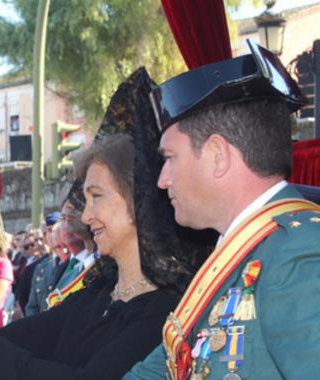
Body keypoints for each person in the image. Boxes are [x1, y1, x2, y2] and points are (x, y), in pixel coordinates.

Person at [0, 69, 212, 380]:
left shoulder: (167, 311)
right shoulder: (97, 295)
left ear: (139, 200)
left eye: (97, 196)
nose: (85, 216)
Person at [125, 41, 320, 380]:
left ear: (218, 154)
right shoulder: (236, 257)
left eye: (169, 159)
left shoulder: (298, 253)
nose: (161, 180)